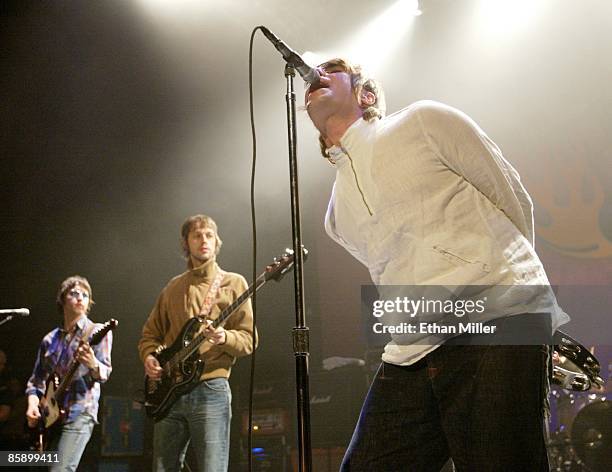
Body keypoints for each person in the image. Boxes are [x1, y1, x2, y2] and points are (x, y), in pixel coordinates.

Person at [304, 58, 569, 471]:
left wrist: (522, 300)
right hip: (412, 348)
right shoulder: (334, 215)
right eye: (313, 76)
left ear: (366, 94)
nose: (316, 76)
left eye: (333, 70)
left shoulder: (423, 122)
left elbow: (511, 197)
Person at [139, 214, 256, 472]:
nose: (204, 240)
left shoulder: (233, 283)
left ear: (217, 241)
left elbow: (249, 340)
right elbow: (150, 335)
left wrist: (224, 337)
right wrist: (149, 357)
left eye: (209, 235)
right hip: (169, 392)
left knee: (211, 468)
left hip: (211, 388)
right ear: (186, 243)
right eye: (197, 235)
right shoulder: (172, 287)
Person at [25, 276, 113, 471]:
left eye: (85, 295)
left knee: (61, 469)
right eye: (74, 293)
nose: (80, 298)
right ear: (62, 299)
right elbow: (36, 381)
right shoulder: (50, 339)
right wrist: (33, 404)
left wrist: (92, 363)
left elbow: (105, 372)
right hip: (49, 418)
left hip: (80, 411)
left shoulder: (96, 331)